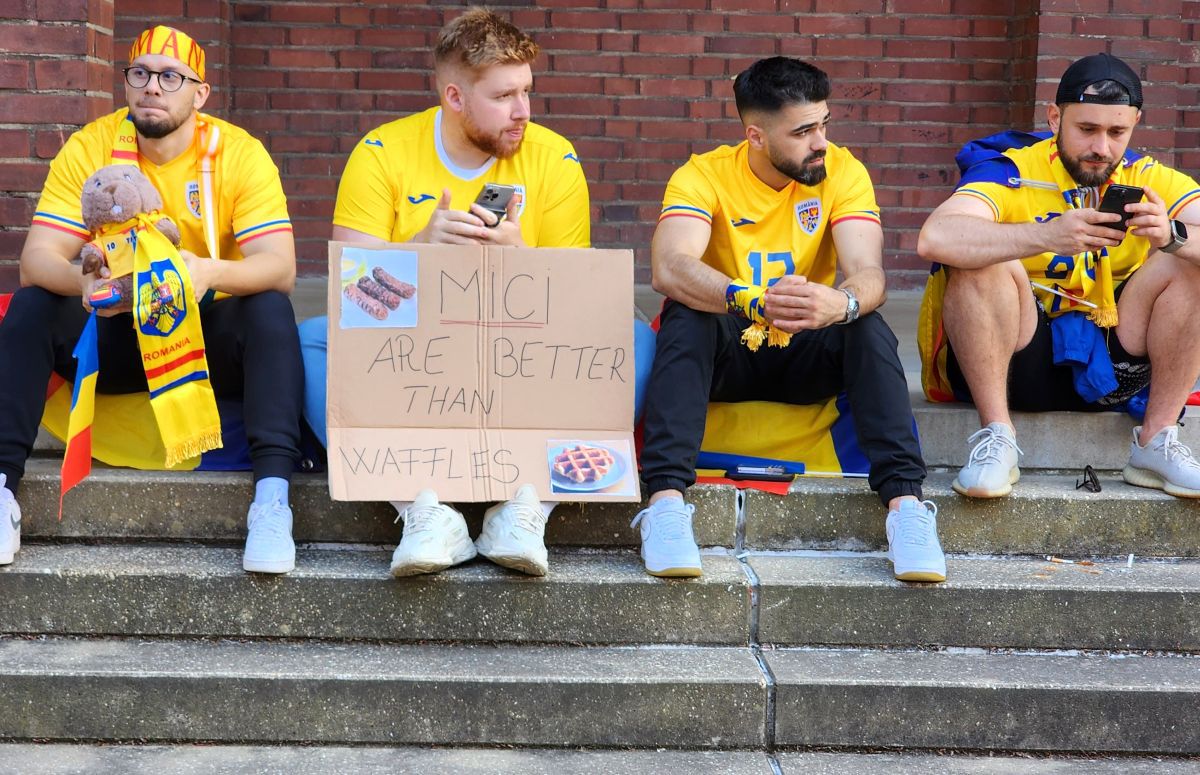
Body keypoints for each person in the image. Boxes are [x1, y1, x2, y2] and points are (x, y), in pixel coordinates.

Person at [298, 8, 596, 578]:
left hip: (517, 356)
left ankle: (526, 507)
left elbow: (577, 304)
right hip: (417, 358)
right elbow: (347, 296)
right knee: (311, 341)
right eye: (504, 96)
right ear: (455, 98)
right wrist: (417, 250)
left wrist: (518, 263)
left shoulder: (554, 157)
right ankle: (421, 510)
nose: (523, 112)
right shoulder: (382, 152)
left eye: (528, 91)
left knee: (633, 341)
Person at [0, 26, 303, 573]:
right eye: (140, 73)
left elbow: (280, 268)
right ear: (127, 83)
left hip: (201, 342)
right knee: (33, 304)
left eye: (170, 77)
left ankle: (273, 501)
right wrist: (84, 286)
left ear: (200, 93)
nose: (152, 88)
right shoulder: (93, 144)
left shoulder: (239, 152)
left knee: (268, 309)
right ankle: (1, 491)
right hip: (116, 336)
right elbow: (37, 258)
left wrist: (208, 272)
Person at [634, 56, 944, 583]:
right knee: (687, 312)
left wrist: (837, 304)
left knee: (865, 324)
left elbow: (869, 273)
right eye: (803, 131)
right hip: (731, 345)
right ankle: (664, 506)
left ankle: (907, 509)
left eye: (823, 123)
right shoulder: (703, 173)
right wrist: (747, 300)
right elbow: (669, 267)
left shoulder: (842, 169)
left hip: (807, 342)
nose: (820, 141)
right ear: (755, 135)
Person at [918, 52, 1200, 500]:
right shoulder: (1012, 169)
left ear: (1134, 125)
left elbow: (1183, 241)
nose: (1101, 148)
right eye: (1086, 129)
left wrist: (1172, 235)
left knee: (1188, 263)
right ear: (1055, 117)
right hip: (1016, 363)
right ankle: (998, 438)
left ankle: (1156, 442)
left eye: (1116, 132)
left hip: (1114, 365)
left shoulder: (1145, 176)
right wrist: (1045, 235)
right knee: (979, 258)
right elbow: (934, 238)